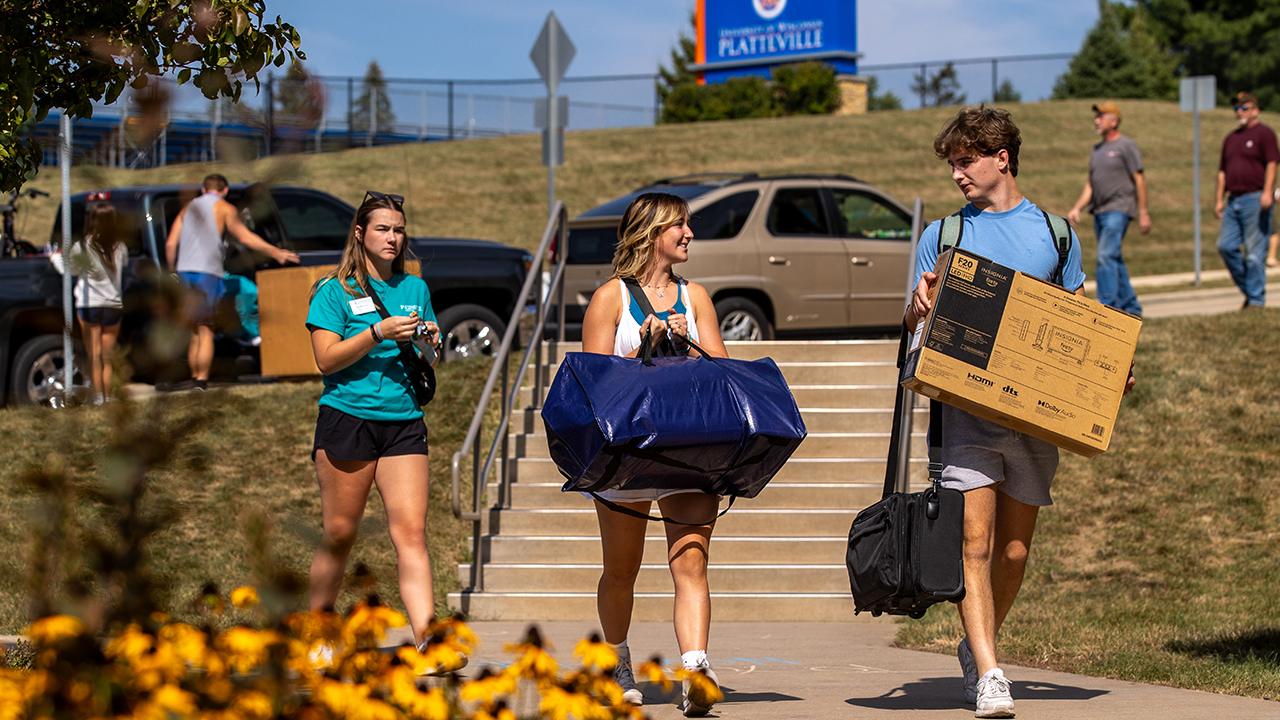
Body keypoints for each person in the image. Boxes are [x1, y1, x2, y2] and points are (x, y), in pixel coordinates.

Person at [906, 106, 1132, 719]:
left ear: (1001, 157)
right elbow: (909, 326)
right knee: (973, 546)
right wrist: (920, 308)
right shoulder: (944, 235)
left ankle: (976, 645)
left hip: (1035, 418)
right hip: (967, 413)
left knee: (1013, 553)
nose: (957, 174)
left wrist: (1110, 376)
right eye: (952, 164)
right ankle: (990, 672)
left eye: (965, 161)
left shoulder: (1056, 234)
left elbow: (1080, 327)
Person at [580, 192, 729, 716]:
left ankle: (694, 669)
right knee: (622, 568)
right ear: (650, 233)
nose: (690, 233)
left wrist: (691, 347)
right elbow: (592, 385)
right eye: (680, 226)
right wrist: (634, 352)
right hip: (626, 454)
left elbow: (723, 378)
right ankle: (618, 661)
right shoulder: (610, 299)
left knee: (691, 562)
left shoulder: (698, 297)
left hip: (689, 450)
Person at [304, 191, 445, 655]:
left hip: (404, 421)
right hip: (348, 418)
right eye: (383, 229)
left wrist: (429, 342)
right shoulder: (334, 291)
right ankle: (318, 634)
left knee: (411, 533)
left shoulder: (415, 289)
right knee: (340, 534)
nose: (393, 238)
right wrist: (376, 332)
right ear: (360, 234)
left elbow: (430, 358)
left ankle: (429, 641)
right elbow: (326, 360)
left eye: (399, 229)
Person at [164, 174, 299, 389]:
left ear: (202, 189)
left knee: (194, 331)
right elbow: (245, 237)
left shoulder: (187, 208)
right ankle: (201, 381)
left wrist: (172, 269)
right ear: (225, 190)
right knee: (207, 329)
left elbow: (171, 243)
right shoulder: (225, 208)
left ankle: (193, 378)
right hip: (207, 272)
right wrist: (276, 253)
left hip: (185, 272)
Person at [1067, 100, 1150, 316]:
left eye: (1101, 116)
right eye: (1096, 116)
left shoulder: (1126, 146)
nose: (1096, 120)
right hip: (1100, 211)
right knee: (1113, 258)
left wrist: (1143, 212)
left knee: (1104, 256)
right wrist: (1077, 207)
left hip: (1119, 208)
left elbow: (1139, 179)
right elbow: (1091, 184)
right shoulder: (1097, 150)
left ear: (1114, 121)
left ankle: (1108, 307)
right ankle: (1131, 306)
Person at [50, 201, 128, 404]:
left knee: (93, 356)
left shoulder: (84, 246)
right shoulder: (119, 246)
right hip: (113, 305)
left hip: (89, 304)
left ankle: (98, 397)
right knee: (107, 358)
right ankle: (108, 397)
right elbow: (125, 263)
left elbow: (69, 269)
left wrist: (54, 257)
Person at [1214, 91, 1278, 309]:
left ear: (1255, 110)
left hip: (1255, 197)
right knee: (1225, 246)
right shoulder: (1231, 139)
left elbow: (1272, 163)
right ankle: (1251, 292)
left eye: (1244, 108)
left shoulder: (1264, 134)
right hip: (1233, 200)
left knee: (1254, 253)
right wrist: (1219, 199)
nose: (1239, 112)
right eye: (1236, 108)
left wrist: (1268, 192)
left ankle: (1256, 300)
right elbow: (1223, 171)